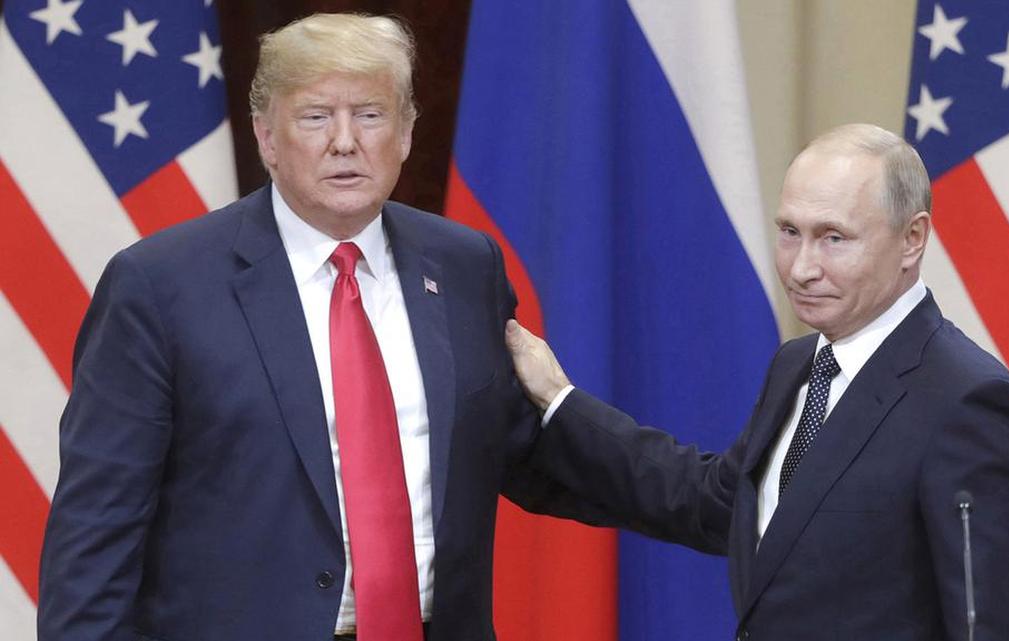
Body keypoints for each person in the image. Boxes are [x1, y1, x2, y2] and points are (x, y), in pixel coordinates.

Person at [38, 13, 599, 641]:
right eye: (315, 117)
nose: (344, 141)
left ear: (406, 133)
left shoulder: (465, 265)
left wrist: (700, 491)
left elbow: (532, 455)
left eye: (370, 114)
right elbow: (95, 545)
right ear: (266, 137)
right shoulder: (158, 285)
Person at [506, 124, 1009, 640]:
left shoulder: (971, 404)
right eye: (790, 232)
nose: (800, 268)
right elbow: (714, 504)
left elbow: (994, 627)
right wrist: (557, 402)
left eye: (833, 238)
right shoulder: (798, 365)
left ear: (912, 239)